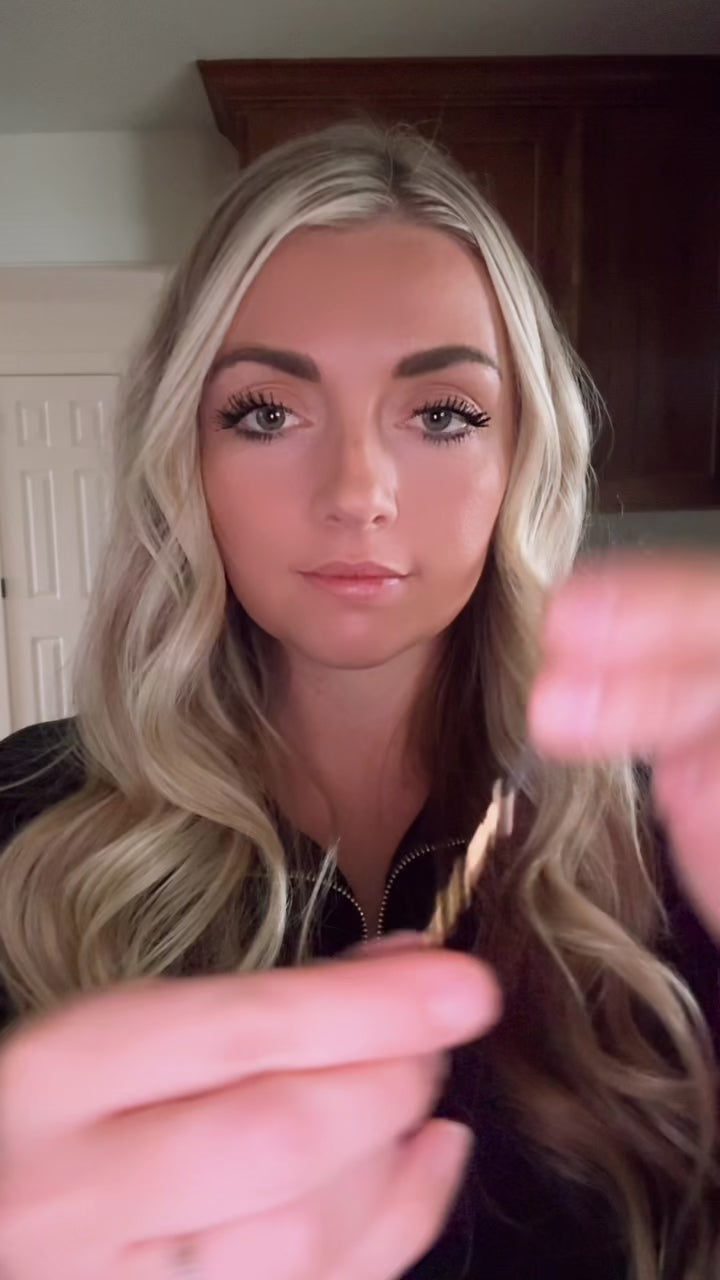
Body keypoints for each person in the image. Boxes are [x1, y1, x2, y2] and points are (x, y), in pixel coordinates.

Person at [0, 120, 718, 1280]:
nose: (357, 491)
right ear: (184, 456)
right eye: (266, 412)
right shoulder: (22, 820)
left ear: (520, 458)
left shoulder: (681, 834)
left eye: (442, 415)